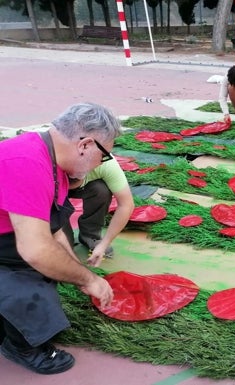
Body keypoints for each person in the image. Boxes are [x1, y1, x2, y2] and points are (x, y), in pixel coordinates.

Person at [0, 102, 119, 375]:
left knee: (55, 268)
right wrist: (88, 279)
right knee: (31, 278)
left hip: (6, 235)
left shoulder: (53, 163)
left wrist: (77, 273)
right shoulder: (27, 163)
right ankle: (22, 348)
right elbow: (37, 251)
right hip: (9, 241)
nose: (102, 163)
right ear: (86, 145)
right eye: (104, 156)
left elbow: (54, 229)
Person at [62, 156, 134, 261]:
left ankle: (90, 235)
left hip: (88, 185)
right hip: (50, 188)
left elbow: (126, 205)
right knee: (63, 243)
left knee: (101, 190)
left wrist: (104, 244)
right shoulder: (47, 161)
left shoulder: (105, 163)